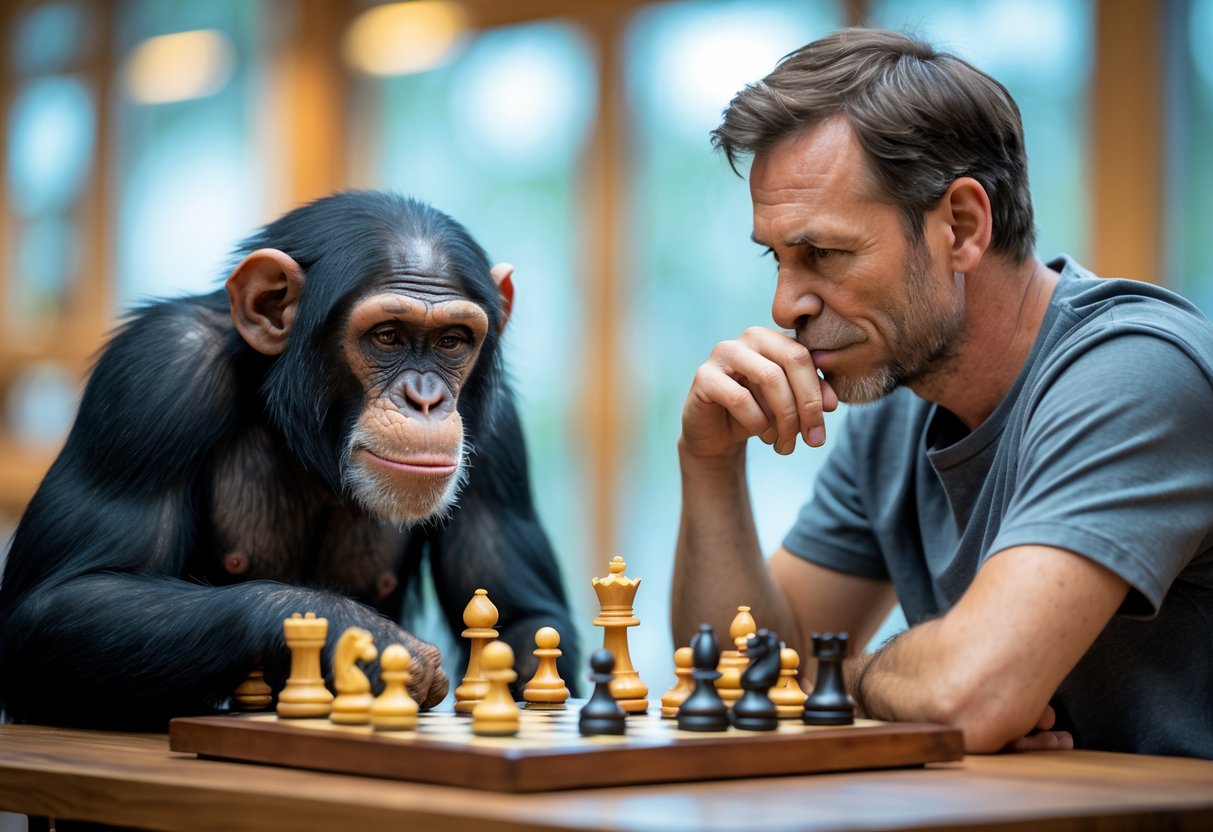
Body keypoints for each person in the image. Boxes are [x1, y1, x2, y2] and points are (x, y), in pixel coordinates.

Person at [671, 28, 1213, 757]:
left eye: (822, 253)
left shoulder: (1135, 372)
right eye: (778, 257)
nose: (784, 305)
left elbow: (968, 694)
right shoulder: (896, 405)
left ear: (961, 225)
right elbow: (739, 675)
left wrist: (847, 681)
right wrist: (707, 464)